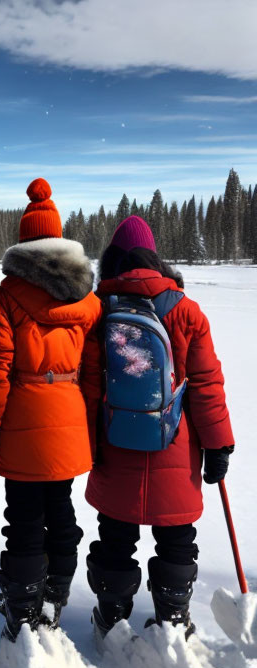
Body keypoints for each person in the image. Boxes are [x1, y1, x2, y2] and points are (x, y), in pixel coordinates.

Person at [80, 216, 234, 640]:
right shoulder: (185, 310)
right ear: (155, 258)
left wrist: (88, 445)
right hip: (175, 443)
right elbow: (205, 385)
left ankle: (110, 620)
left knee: (114, 535)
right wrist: (219, 444)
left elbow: (90, 388)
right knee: (177, 536)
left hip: (115, 442)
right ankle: (173, 621)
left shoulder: (99, 310)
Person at [0, 178, 101, 640]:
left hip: (22, 416)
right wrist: (85, 424)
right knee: (62, 510)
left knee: (24, 517)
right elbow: (93, 372)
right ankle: (54, 597)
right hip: (69, 415)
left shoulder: (4, 297)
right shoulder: (88, 303)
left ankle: (22, 606)